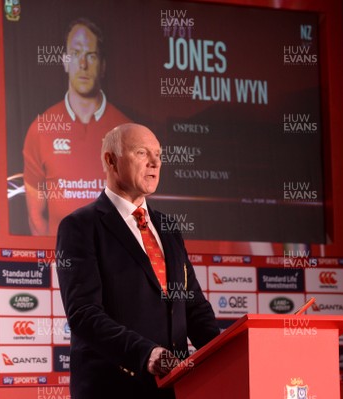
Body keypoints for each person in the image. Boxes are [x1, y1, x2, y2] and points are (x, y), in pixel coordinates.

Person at [55, 123, 220, 399]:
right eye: (142, 153)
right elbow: (84, 314)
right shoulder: (80, 227)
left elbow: (193, 308)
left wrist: (226, 353)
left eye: (159, 154)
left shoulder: (168, 227)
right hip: (112, 389)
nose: (155, 162)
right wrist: (147, 354)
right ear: (110, 160)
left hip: (174, 390)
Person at [22, 17, 131, 236]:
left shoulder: (128, 130)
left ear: (103, 66)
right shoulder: (41, 128)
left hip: (115, 268)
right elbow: (36, 218)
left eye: (91, 55)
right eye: (76, 54)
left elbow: (138, 213)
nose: (83, 64)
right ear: (64, 61)